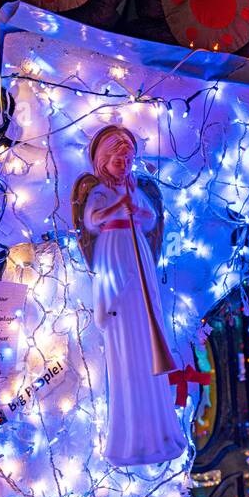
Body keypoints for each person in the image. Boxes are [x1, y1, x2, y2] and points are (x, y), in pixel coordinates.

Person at [73, 125, 186, 466]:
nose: (123, 165)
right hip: (115, 253)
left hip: (138, 256)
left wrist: (138, 211)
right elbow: (91, 220)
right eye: (117, 160)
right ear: (103, 161)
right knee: (125, 339)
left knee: (148, 333)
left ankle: (159, 428)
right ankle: (130, 436)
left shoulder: (134, 187)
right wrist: (117, 208)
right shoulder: (99, 191)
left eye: (127, 160)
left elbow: (150, 218)